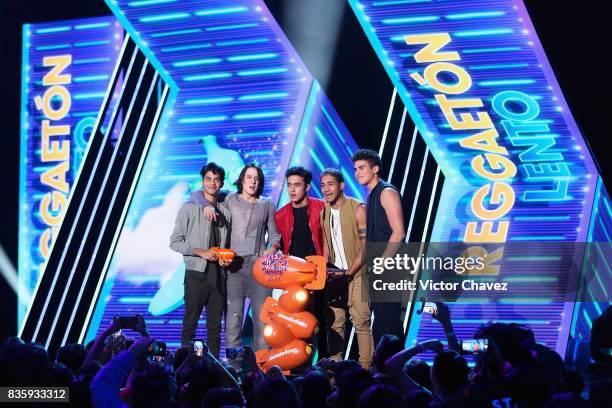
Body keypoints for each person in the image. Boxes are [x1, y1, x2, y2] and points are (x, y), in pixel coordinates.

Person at [194, 164, 281, 352]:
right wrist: (206, 206)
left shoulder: (267, 204)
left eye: (256, 178)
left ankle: (261, 370)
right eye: (249, 177)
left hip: (259, 269)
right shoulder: (228, 198)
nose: (253, 181)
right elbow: (197, 194)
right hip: (233, 268)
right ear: (242, 179)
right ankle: (235, 369)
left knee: (262, 322)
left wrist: (271, 249)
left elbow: (274, 235)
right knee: (233, 321)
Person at [170, 162, 232, 358]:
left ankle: (213, 368)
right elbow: (175, 243)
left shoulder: (225, 210)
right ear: (202, 182)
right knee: (190, 324)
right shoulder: (188, 208)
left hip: (218, 276)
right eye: (208, 179)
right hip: (196, 274)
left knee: (215, 329)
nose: (212, 183)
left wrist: (225, 259)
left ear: (221, 183)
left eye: (216, 180)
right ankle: (185, 366)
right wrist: (200, 252)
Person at [319, 168, 373, 369]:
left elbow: (366, 246)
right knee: (334, 323)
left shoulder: (358, 208)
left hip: (358, 273)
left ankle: (366, 369)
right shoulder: (323, 211)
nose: (326, 189)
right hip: (335, 275)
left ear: (341, 185)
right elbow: (326, 243)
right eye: (323, 185)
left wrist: (350, 272)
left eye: (330, 184)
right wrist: (327, 270)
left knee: (361, 322)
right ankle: (334, 369)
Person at [352, 149, 406, 344]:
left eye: (362, 168)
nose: (357, 172)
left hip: (390, 267)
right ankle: (384, 369)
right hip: (380, 266)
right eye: (355, 169)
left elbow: (399, 232)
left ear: (375, 168)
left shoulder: (387, 192)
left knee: (388, 323)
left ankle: (393, 369)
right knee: (382, 323)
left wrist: (382, 264)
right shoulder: (372, 194)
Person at [275, 166, 327, 358]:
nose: (292, 190)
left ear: (307, 186)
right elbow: (278, 246)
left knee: (321, 320)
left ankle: (324, 364)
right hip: (293, 278)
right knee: (298, 323)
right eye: (289, 185)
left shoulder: (321, 208)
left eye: (297, 185)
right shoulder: (281, 215)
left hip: (318, 273)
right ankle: (302, 367)